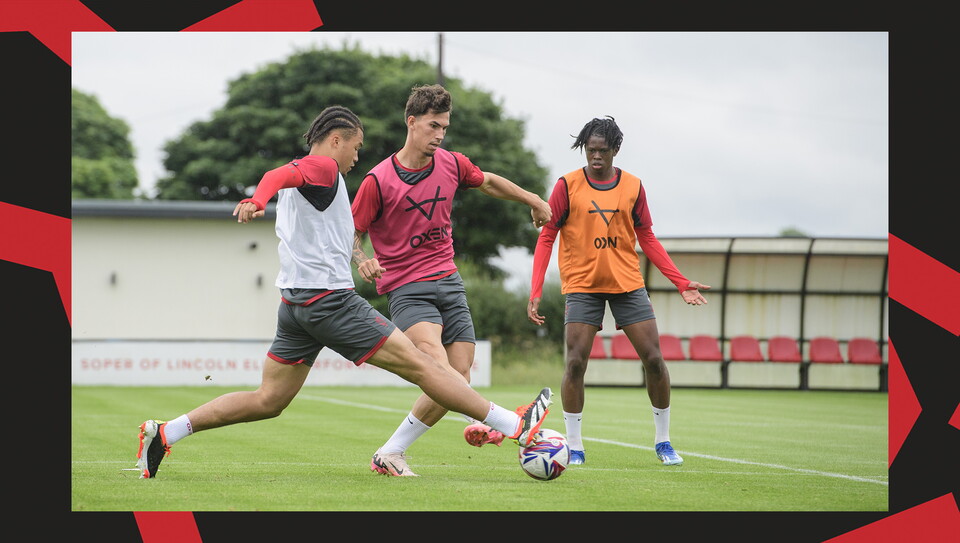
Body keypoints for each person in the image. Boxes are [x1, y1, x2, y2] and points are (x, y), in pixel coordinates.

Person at [135, 105, 553, 479]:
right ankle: (515, 425)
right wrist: (257, 199)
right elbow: (276, 175)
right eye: (355, 146)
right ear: (336, 140)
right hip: (330, 302)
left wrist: (348, 252)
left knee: (268, 400)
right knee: (427, 366)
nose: (357, 156)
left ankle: (167, 432)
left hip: (295, 304)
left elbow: (285, 182)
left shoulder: (314, 178)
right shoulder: (324, 167)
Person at [351, 84, 553, 477]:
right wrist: (362, 259)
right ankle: (501, 422)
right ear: (411, 122)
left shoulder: (451, 163)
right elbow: (350, 233)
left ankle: (391, 452)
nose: (440, 134)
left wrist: (533, 198)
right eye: (433, 125)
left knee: (456, 376)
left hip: (449, 282)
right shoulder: (378, 180)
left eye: (444, 126)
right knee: (437, 366)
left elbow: (489, 181)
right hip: (408, 289)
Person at [526, 115, 710, 467]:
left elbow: (647, 237)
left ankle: (663, 442)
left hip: (628, 285)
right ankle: (575, 446)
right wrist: (535, 289)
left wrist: (681, 282)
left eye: (603, 150)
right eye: (590, 150)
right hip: (582, 285)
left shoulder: (634, 186)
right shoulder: (567, 185)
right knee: (576, 363)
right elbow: (547, 235)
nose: (596, 157)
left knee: (654, 360)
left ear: (615, 150)